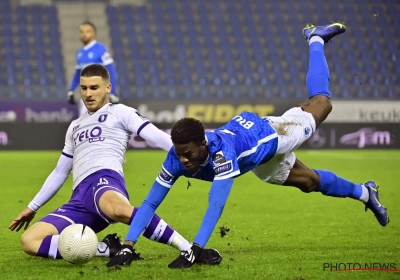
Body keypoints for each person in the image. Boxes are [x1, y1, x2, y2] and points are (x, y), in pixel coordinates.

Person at [106, 22, 390, 269]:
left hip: (272, 135)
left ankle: (315, 39)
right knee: (309, 182)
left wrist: (195, 248)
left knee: (322, 103)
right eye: (179, 154)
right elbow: (151, 201)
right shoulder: (176, 157)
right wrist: (129, 243)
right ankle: (367, 192)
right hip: (256, 161)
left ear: (203, 145)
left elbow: (215, 205)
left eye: (189, 154)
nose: (184, 161)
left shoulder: (222, 155)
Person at [9, 64, 221, 265]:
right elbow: (60, 171)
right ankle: (106, 248)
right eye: (83, 88)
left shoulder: (120, 112)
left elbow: (155, 136)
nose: (88, 94)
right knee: (30, 241)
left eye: (94, 87)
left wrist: (189, 156)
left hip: (104, 181)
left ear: (108, 88)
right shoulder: (74, 126)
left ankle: (189, 248)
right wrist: (32, 207)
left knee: (120, 209)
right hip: (79, 198)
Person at [67, 21, 119, 117]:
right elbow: (78, 73)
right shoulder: (79, 53)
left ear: (94, 33)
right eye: (81, 32)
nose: (84, 34)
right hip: (87, 94)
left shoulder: (101, 49)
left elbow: (111, 71)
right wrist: (71, 90)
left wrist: (113, 92)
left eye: (88, 31)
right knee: (83, 122)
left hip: (100, 94)